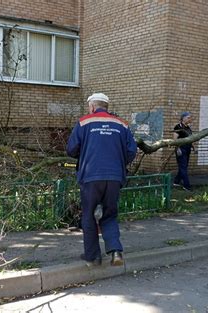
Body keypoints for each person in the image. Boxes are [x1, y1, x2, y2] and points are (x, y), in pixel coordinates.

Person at [66, 93, 137, 267]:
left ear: (92, 106)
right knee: (110, 214)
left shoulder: (84, 122)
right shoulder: (122, 124)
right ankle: (116, 251)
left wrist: (86, 154)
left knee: (89, 215)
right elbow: (131, 151)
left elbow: (71, 149)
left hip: (90, 176)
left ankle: (93, 257)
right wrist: (118, 161)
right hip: (114, 177)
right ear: (106, 106)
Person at [173, 111, 194, 191]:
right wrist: (177, 148)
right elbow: (175, 139)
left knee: (183, 167)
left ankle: (176, 181)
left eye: (190, 117)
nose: (190, 119)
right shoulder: (178, 127)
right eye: (188, 117)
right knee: (183, 167)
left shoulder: (188, 128)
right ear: (183, 118)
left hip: (187, 148)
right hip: (181, 149)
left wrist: (192, 146)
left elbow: (190, 138)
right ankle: (186, 186)